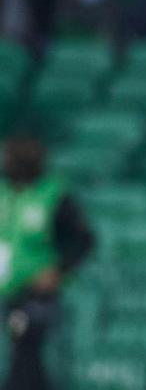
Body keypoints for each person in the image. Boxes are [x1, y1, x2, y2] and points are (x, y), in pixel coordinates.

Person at [0, 136, 95, 390]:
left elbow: (83, 240)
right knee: (27, 360)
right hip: (8, 290)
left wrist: (58, 270)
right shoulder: (4, 193)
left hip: (36, 294)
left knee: (26, 355)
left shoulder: (53, 195)